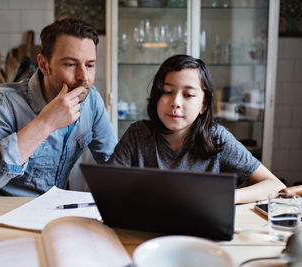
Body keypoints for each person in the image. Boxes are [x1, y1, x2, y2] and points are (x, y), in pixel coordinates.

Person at [0, 18, 117, 200]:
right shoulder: (1, 102)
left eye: (89, 65)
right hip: (1, 215)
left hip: (53, 213)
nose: (84, 77)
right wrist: (45, 123)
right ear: (43, 65)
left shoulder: (92, 100)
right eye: (70, 64)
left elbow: (114, 165)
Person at [108, 55, 285, 204]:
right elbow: (108, 186)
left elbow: (274, 185)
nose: (175, 102)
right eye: (168, 92)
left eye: (188, 95)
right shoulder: (137, 134)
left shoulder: (216, 137)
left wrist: (224, 197)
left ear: (203, 104)